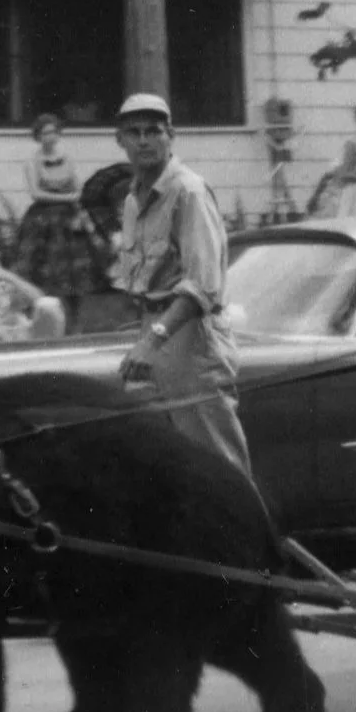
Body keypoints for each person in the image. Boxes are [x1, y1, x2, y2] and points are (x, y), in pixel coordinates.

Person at [111, 92, 255, 480]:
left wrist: (152, 338)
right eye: (134, 132)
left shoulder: (188, 192)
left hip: (190, 343)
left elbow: (203, 284)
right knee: (163, 469)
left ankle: (247, 539)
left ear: (171, 136)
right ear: (119, 140)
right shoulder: (133, 200)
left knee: (219, 471)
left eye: (154, 131)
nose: (144, 140)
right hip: (154, 338)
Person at [12, 113, 102, 332]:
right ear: (37, 136)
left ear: (58, 134)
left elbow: (78, 188)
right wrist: (68, 198)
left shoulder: (68, 159)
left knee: (74, 275)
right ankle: (39, 323)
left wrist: (76, 204)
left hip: (68, 221)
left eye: (52, 132)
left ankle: (76, 324)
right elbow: (36, 193)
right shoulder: (32, 162)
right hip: (42, 221)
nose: (49, 137)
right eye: (44, 133)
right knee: (39, 272)